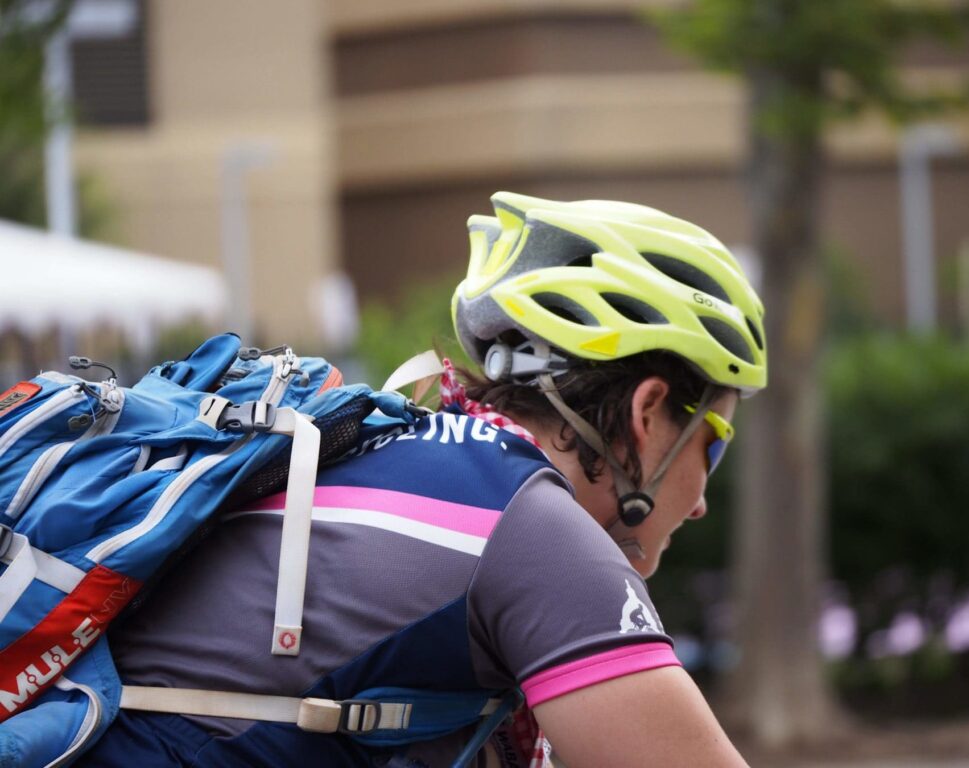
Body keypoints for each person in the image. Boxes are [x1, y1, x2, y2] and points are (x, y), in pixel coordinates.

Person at [79, 191, 765, 767]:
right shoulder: (532, 531)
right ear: (647, 413)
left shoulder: (397, 452)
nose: (702, 501)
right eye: (714, 443)